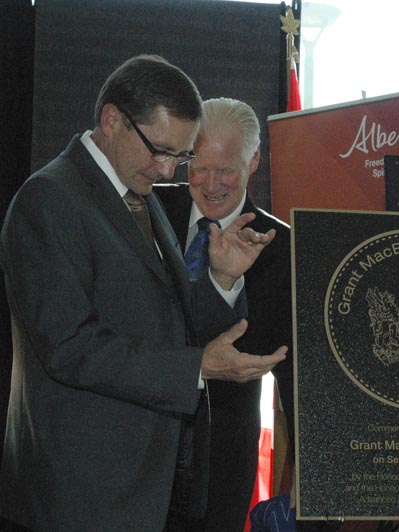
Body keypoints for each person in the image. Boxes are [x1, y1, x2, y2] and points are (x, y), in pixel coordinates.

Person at [0, 55, 287, 532]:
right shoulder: (48, 199)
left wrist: (220, 279)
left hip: (146, 491)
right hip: (80, 494)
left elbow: (164, 319)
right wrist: (196, 367)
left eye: (179, 157)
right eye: (160, 150)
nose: (169, 169)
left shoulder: (140, 193)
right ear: (112, 121)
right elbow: (69, 347)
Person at [156, 97, 293, 532]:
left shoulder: (283, 249)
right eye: (198, 166)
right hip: (139, 452)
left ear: (254, 161)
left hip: (222, 468)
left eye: (226, 170)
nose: (210, 184)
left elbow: (299, 381)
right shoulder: (145, 212)